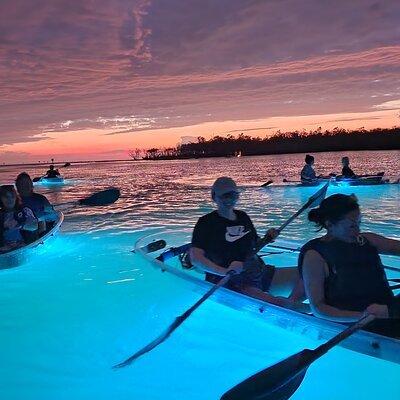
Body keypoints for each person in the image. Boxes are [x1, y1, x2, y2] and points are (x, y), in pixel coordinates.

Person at [190, 177, 306, 311]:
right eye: (225, 196)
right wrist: (224, 271)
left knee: (308, 273)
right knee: (279, 305)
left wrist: (268, 238)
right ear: (214, 197)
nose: (230, 200)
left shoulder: (242, 217)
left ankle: (293, 304)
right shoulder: (206, 223)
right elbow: (195, 258)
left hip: (258, 272)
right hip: (233, 282)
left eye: (234, 195)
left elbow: (255, 245)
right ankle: (298, 309)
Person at [299, 194, 400, 336]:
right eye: (352, 226)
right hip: (356, 324)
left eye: (359, 224)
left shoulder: (368, 240)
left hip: (388, 313)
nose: (357, 231)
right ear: (329, 225)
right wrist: (362, 316)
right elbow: (318, 308)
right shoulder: (314, 255)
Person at [0, 185, 38, 252]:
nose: (10, 199)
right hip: (4, 249)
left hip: (24, 246)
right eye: (6, 197)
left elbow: (34, 226)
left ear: (16, 198)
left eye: (12, 196)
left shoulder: (25, 211)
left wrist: (18, 225)